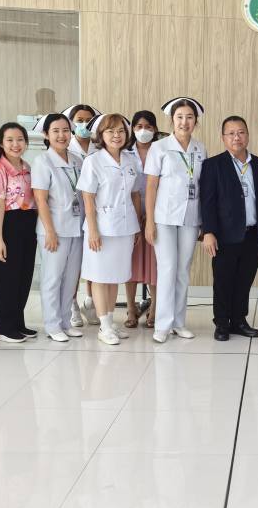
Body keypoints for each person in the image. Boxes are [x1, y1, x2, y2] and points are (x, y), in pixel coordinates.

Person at [200, 116, 258, 341]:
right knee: (223, 281)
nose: (236, 137)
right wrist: (208, 232)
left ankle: (239, 321)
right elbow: (207, 202)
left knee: (244, 280)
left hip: (253, 232)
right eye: (231, 133)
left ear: (248, 135)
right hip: (224, 234)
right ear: (223, 138)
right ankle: (222, 323)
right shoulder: (213, 165)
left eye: (241, 132)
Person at [77, 113, 144, 345]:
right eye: (110, 131)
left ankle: (110, 322)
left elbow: (135, 194)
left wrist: (137, 227)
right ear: (101, 135)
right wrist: (93, 230)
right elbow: (88, 198)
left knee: (116, 276)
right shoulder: (93, 161)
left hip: (125, 227)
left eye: (121, 131)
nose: (116, 135)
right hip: (102, 228)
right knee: (99, 277)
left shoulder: (130, 160)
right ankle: (104, 326)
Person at [145, 97, 206, 343]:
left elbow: (202, 185)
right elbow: (151, 186)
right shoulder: (159, 148)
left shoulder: (200, 149)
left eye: (189, 117)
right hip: (164, 217)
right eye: (180, 117)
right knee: (167, 268)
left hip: (191, 216)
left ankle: (179, 322)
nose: (184, 122)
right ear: (172, 120)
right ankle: (162, 325)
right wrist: (150, 222)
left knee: (183, 270)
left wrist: (204, 222)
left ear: (196, 121)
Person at [32, 113, 85, 342]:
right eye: (56, 131)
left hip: (77, 227)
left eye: (65, 130)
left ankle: (65, 321)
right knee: (52, 278)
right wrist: (50, 231)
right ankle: (52, 324)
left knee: (71, 278)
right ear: (46, 134)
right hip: (54, 229)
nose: (62, 135)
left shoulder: (77, 160)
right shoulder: (43, 162)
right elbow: (40, 199)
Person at [0, 123, 38, 343]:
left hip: (28, 222)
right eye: (9, 140)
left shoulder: (27, 166)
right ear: (1, 143)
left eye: (20, 139)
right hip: (9, 223)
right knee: (9, 277)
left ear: (26, 143)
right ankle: (4, 326)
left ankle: (18, 322)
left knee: (24, 275)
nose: (15, 144)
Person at [64, 102, 101, 327]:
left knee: (94, 257)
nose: (84, 124)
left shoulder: (100, 147)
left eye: (89, 120)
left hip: (97, 210)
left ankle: (91, 302)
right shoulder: (66, 147)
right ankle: (72, 305)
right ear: (71, 122)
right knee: (74, 261)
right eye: (79, 120)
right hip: (72, 210)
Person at [125, 110, 160, 329]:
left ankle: (154, 309)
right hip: (130, 215)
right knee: (130, 265)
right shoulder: (125, 152)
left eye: (148, 126)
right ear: (133, 129)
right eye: (139, 126)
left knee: (155, 266)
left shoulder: (162, 150)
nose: (143, 130)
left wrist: (152, 214)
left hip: (156, 215)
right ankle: (131, 309)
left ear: (155, 129)